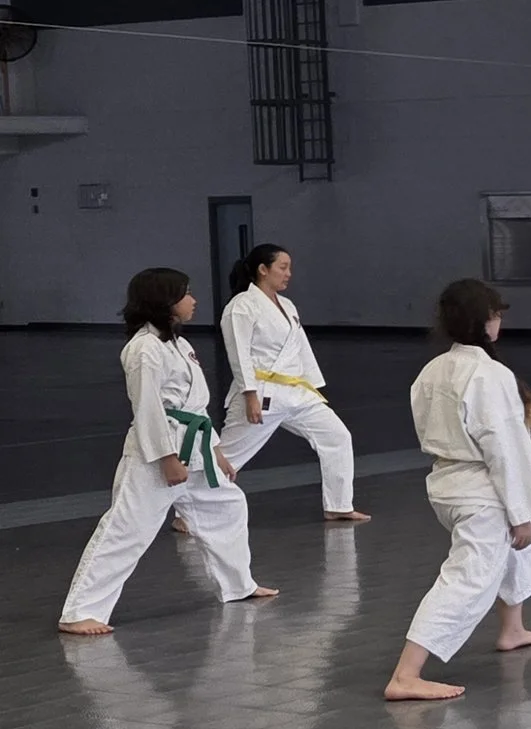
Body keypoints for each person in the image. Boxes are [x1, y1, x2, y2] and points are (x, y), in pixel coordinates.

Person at [58, 268, 278, 634]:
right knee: (127, 528)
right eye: (185, 293)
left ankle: (238, 585)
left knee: (228, 506)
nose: (193, 300)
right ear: (165, 301)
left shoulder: (178, 344)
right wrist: (167, 458)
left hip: (195, 446)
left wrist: (216, 451)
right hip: (158, 455)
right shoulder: (143, 349)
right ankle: (80, 611)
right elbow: (147, 408)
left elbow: (196, 407)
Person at [385, 280, 531, 702]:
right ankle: (406, 674)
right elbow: (504, 449)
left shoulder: (432, 370)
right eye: (496, 314)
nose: (499, 321)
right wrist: (521, 512)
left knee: (515, 554)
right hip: (481, 489)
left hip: (448, 482)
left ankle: (513, 628)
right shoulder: (489, 375)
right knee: (469, 577)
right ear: (485, 320)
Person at [205, 243, 367, 522]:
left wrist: (312, 383)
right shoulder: (241, 306)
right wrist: (249, 394)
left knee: (337, 437)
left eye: (289, 268)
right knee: (229, 456)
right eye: (283, 267)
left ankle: (338, 505)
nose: (288, 273)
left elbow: (301, 348)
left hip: (296, 391)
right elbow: (238, 354)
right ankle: (189, 513)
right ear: (263, 269)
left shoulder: (288, 305)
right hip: (261, 391)